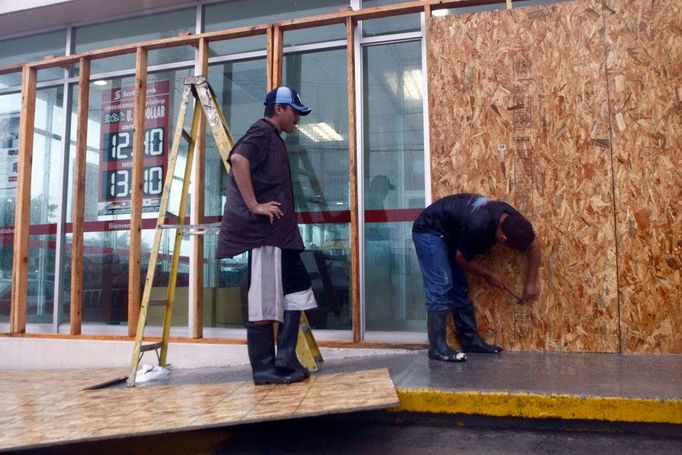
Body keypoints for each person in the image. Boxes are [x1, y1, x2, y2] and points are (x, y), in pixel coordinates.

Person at [217, 86, 316, 385]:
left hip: (282, 236)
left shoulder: (274, 139)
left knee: (298, 291)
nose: (297, 119)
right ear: (279, 109)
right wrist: (254, 205)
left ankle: (284, 355)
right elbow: (238, 160)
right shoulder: (261, 132)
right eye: (294, 112)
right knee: (264, 300)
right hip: (267, 236)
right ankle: (262, 368)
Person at [412, 193, 541, 361]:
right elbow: (462, 259)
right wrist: (489, 275)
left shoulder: (514, 220)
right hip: (429, 231)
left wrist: (531, 282)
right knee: (441, 285)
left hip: (451, 235)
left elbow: (535, 245)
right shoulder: (479, 225)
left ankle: (470, 342)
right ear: (502, 238)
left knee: (460, 287)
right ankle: (437, 349)